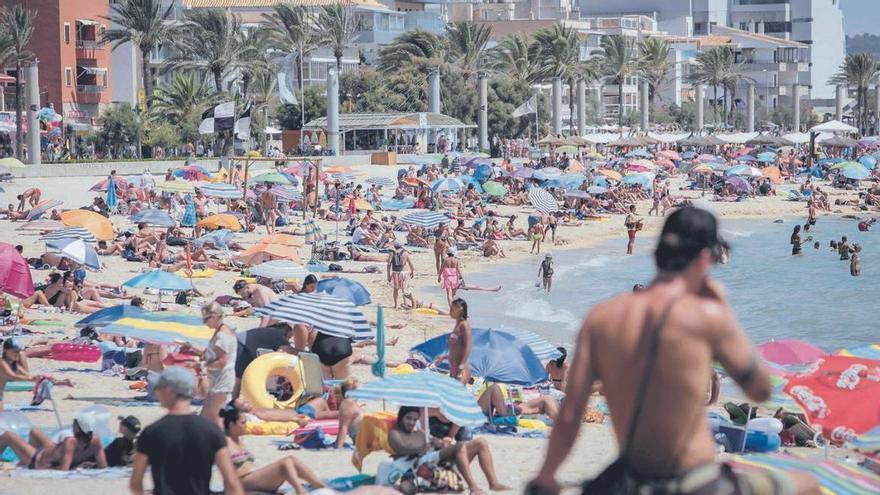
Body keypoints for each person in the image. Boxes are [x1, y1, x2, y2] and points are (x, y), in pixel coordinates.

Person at [527, 207, 818, 495]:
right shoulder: (707, 316)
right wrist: (725, 314)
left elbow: (571, 413)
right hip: (695, 482)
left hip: (630, 480)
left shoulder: (602, 317)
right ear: (705, 258)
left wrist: (546, 476)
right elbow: (760, 390)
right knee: (807, 486)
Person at [131, 367, 244, 495]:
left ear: (169, 391)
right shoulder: (211, 431)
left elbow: (136, 484)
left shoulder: (152, 432)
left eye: (159, 389)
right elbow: (231, 483)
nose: (156, 393)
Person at [388, 406, 511, 495]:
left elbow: (432, 440)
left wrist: (442, 442)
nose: (411, 422)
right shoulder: (396, 434)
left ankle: (493, 483)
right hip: (424, 466)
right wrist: (422, 447)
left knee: (481, 442)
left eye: (414, 419)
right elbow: (402, 450)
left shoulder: (418, 432)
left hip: (438, 459)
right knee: (459, 447)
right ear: (401, 418)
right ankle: (473, 487)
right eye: (408, 418)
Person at [220, 402, 325, 494]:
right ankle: (300, 490)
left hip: (255, 479)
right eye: (243, 423)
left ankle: (321, 486)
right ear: (231, 424)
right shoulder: (223, 442)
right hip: (242, 482)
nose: (246, 425)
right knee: (286, 462)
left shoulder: (240, 440)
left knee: (292, 460)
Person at [0, 412, 107, 471]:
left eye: (74, 423)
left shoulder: (71, 442)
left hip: (38, 460)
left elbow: (63, 470)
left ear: (77, 428)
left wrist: (75, 468)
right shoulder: (96, 441)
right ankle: (22, 463)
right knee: (34, 431)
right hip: (51, 450)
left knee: (8, 436)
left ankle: (26, 461)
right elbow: (104, 467)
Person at [188, 302, 237, 428]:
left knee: (216, 418)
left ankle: (223, 444)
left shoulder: (222, 335)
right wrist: (192, 348)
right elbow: (212, 355)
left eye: (206, 319)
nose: (204, 323)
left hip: (222, 380)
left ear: (214, 317)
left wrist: (201, 365)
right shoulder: (220, 331)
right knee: (206, 416)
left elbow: (221, 361)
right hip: (218, 380)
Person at [233, 323, 296, 397]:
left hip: (241, 342)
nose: (287, 339)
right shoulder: (277, 335)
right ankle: (232, 401)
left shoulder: (270, 332)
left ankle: (233, 400)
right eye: (288, 337)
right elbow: (289, 349)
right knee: (238, 376)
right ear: (285, 330)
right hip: (243, 344)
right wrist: (304, 351)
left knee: (238, 376)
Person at [446, 298, 472, 385]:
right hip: (454, 368)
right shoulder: (457, 324)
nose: (450, 311)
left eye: (452, 309)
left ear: (460, 309)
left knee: (456, 395)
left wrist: (461, 365)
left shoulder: (464, 325)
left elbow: (468, 346)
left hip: (461, 369)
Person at [387, 242, 415, 309]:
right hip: (404, 272)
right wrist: (412, 271)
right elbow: (411, 264)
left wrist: (388, 275)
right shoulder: (405, 253)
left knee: (396, 289)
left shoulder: (392, 253)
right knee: (405, 289)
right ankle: (411, 302)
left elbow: (388, 264)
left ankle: (396, 305)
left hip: (396, 273)